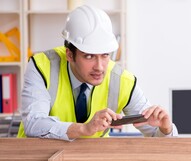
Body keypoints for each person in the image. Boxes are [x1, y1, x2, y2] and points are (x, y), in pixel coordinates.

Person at [17, 5, 178, 140]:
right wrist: (84, 129)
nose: (100, 67)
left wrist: (166, 129)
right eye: (89, 56)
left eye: (105, 55)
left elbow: (158, 138)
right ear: (69, 54)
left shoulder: (122, 80)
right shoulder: (42, 66)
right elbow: (34, 123)